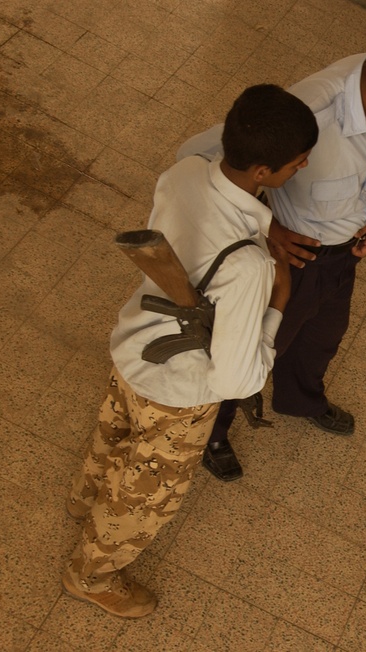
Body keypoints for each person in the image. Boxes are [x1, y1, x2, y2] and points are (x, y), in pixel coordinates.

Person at [61, 84, 319, 618]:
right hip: (178, 393)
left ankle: (86, 498)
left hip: (135, 347)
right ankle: (92, 573)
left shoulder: (182, 173)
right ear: (263, 173)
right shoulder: (250, 269)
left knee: (115, 429)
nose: (303, 169)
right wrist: (278, 303)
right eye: (297, 164)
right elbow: (235, 381)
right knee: (147, 493)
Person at [179, 44, 366, 481]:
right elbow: (198, 157)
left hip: (342, 256)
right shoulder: (311, 111)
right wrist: (269, 228)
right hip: (292, 263)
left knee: (322, 338)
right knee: (252, 351)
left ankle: (300, 400)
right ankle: (212, 432)